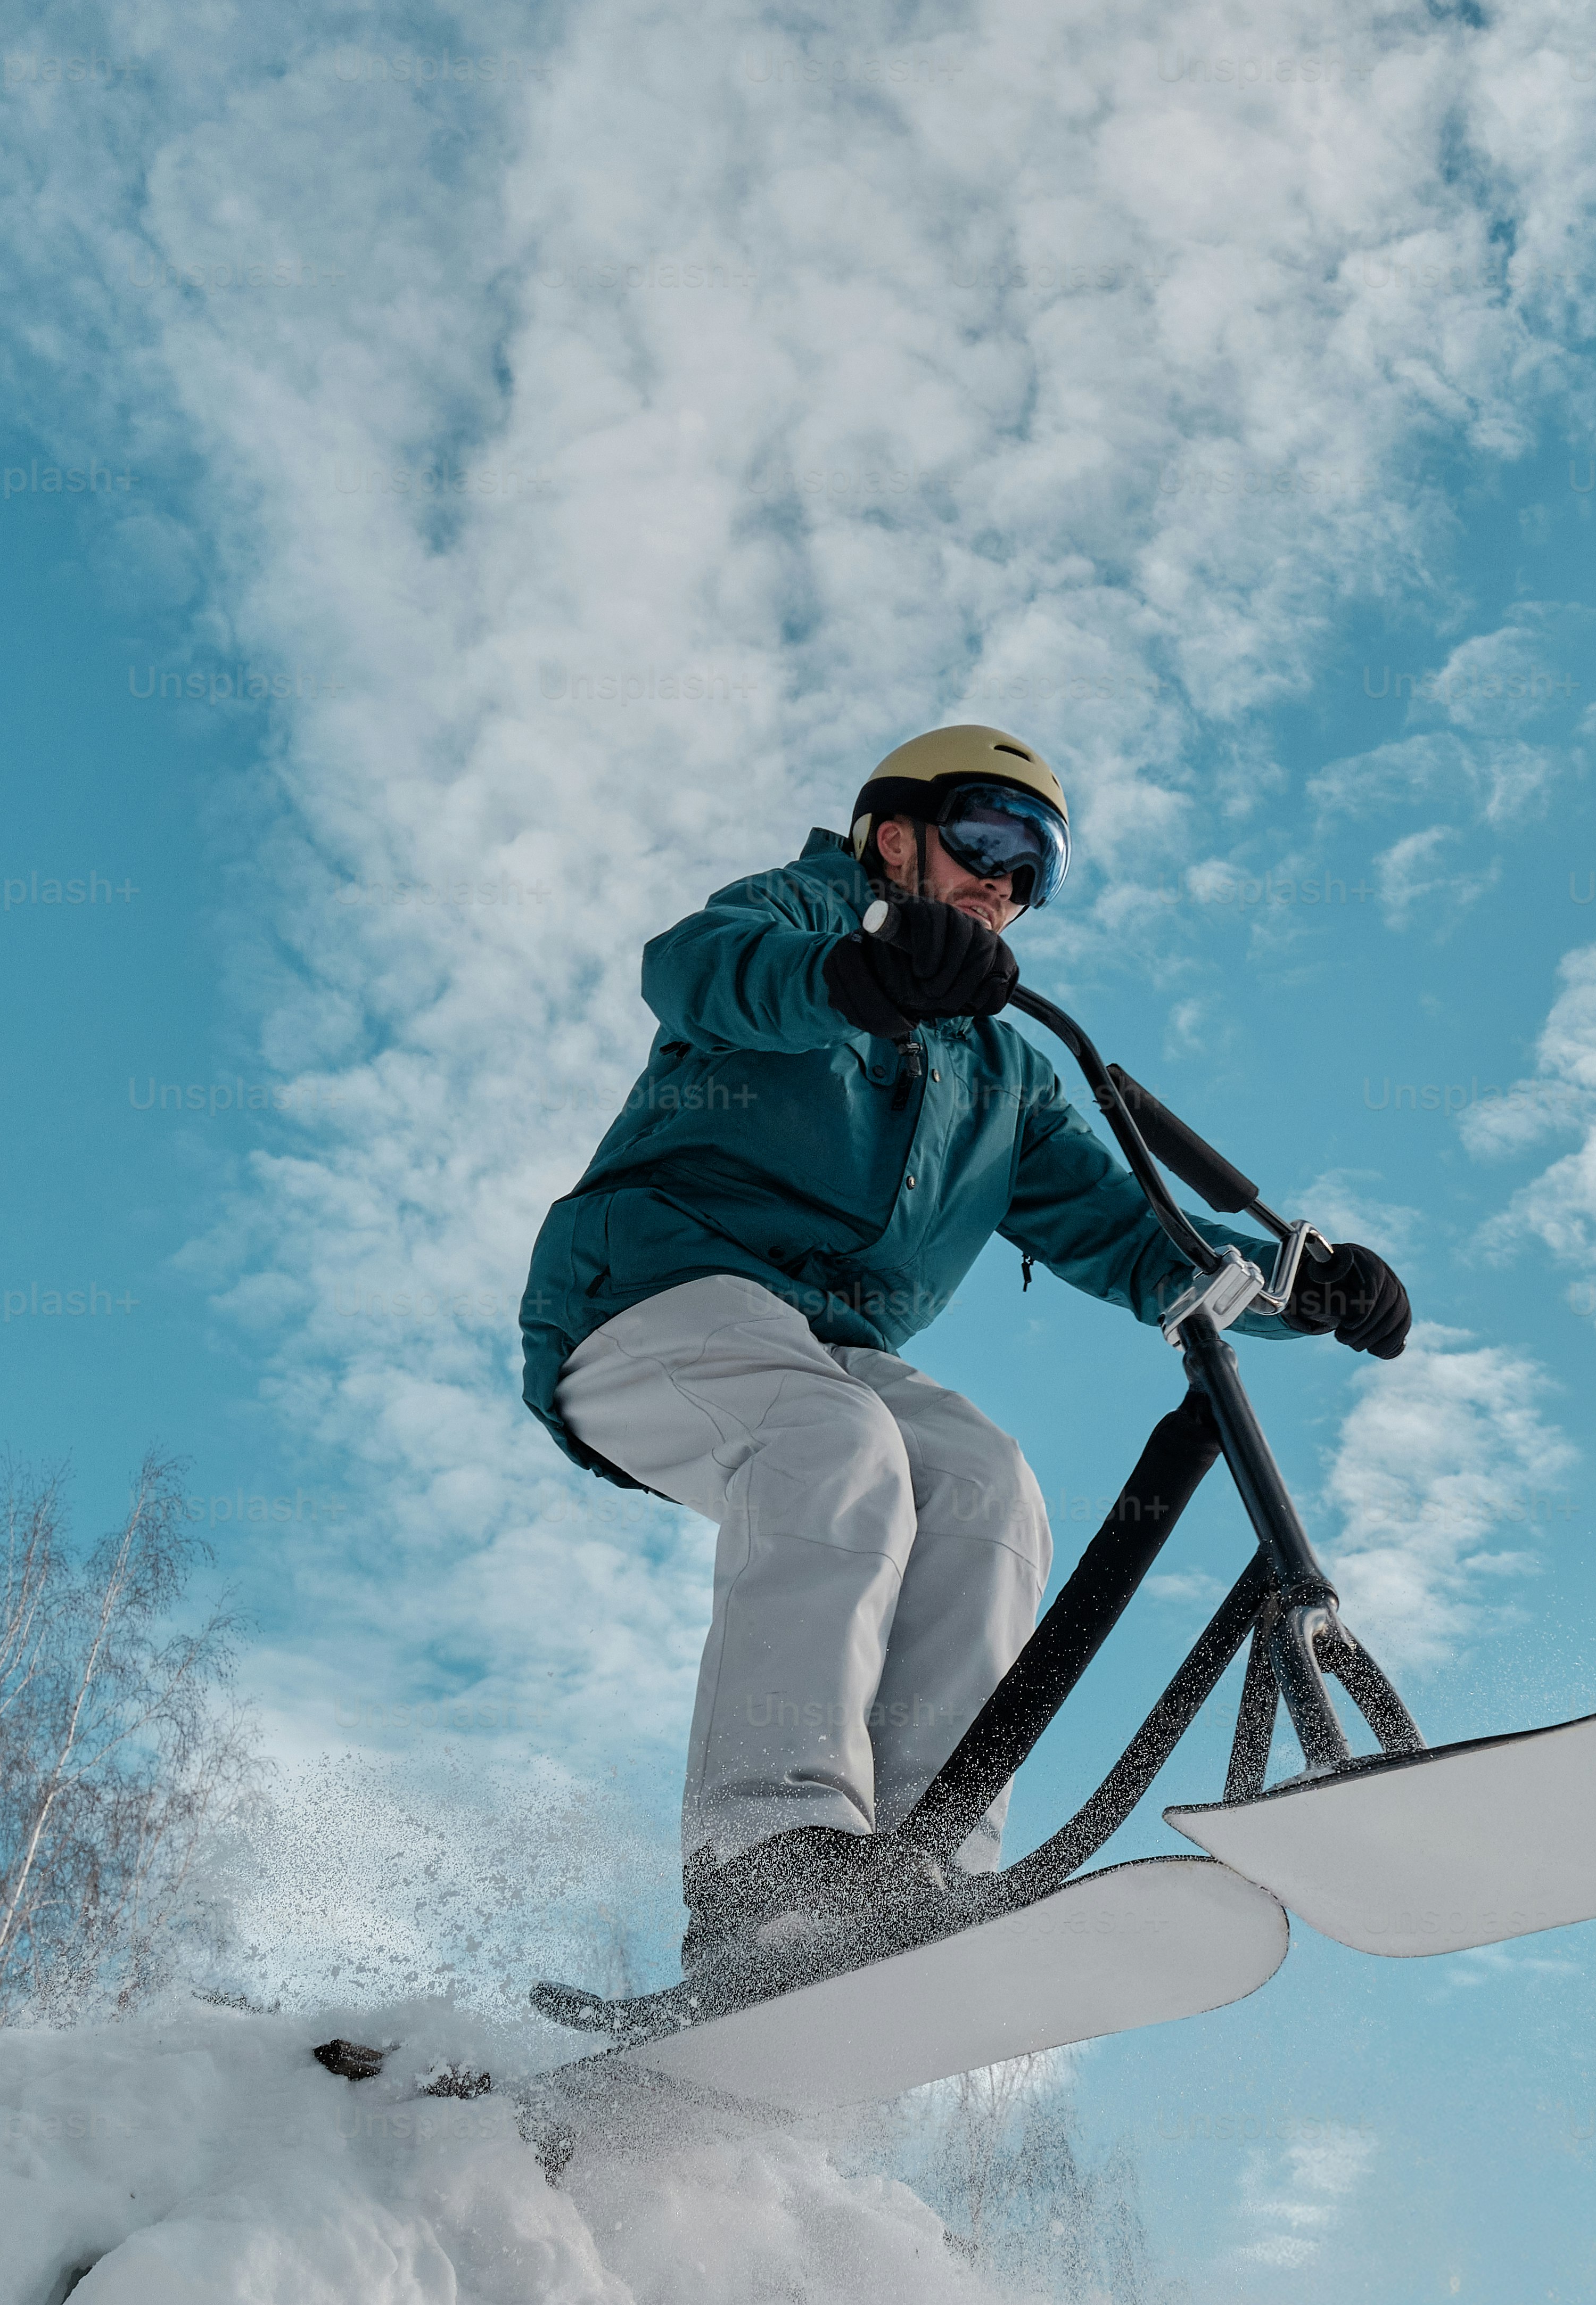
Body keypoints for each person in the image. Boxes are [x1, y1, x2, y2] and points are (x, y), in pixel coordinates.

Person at [519, 725, 1413, 1980]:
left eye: (1033, 866)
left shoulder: (1001, 1074)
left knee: (986, 1484)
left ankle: (917, 1866)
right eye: (986, 836)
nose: (1005, 881)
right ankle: (766, 1854)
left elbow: (1132, 1229)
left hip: (819, 1343)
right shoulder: (806, 918)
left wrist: (1299, 1284)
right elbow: (695, 969)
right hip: (645, 1289)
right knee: (832, 1445)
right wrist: (853, 974)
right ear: (894, 836)